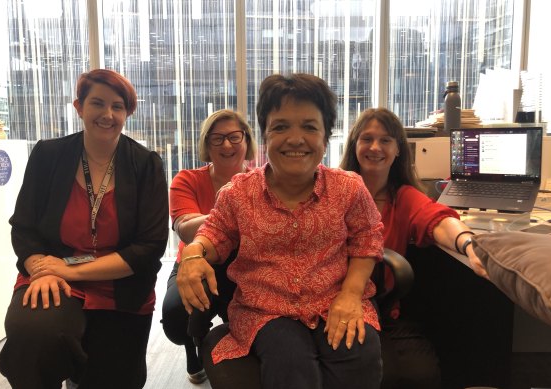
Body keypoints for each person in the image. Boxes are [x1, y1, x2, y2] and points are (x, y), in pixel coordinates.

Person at [176, 73, 385, 389]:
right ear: (265, 136)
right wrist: (194, 254)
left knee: (357, 352)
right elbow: (214, 233)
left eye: (309, 127)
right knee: (290, 363)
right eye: (281, 126)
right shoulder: (238, 193)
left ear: (326, 136)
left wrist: (351, 294)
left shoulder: (348, 188)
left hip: (335, 299)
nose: (296, 138)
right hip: (265, 310)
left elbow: (367, 238)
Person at [0, 68, 169, 389]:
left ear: (127, 112)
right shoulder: (48, 155)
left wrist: (68, 269)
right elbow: (24, 227)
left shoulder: (146, 165)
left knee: (114, 379)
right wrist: (41, 268)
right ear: (79, 107)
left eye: (118, 106)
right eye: (98, 103)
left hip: (119, 286)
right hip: (52, 277)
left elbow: (149, 248)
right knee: (34, 339)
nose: (108, 114)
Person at [340, 107, 488, 388]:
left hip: (383, 309)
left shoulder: (403, 197)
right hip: (333, 303)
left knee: (420, 373)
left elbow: (438, 219)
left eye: (385, 140)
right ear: (354, 145)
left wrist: (468, 243)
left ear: (398, 150)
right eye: (366, 138)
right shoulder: (334, 191)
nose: (375, 147)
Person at [160, 109, 258, 384]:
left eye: (234, 137)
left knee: (251, 319)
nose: (226, 145)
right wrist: (232, 205)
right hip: (194, 262)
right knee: (178, 317)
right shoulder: (187, 179)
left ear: (246, 141)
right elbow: (185, 230)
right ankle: (193, 345)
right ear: (206, 144)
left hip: (244, 265)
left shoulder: (262, 181)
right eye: (217, 139)